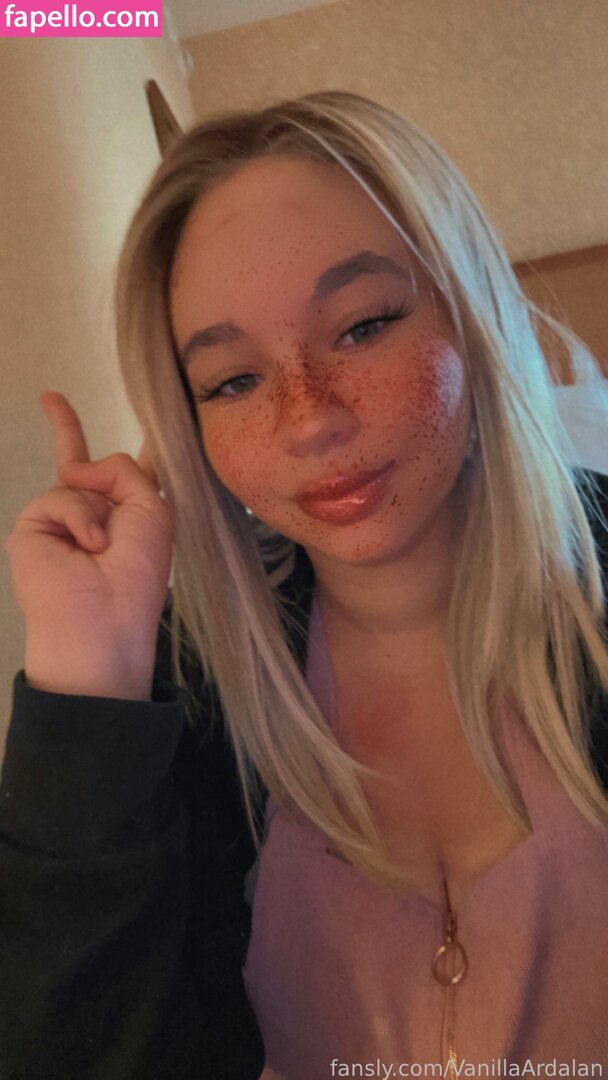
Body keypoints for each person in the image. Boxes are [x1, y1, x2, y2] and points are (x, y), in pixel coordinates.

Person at [2, 90, 607, 1080]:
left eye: (363, 326)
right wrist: (90, 673)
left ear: (471, 311)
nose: (309, 419)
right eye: (233, 381)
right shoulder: (191, 687)